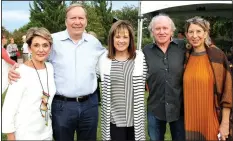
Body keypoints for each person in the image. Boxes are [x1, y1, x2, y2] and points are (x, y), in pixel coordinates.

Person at [8, 3, 105, 141]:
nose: (77, 22)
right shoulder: (53, 41)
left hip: (90, 105)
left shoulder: (94, 42)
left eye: (81, 18)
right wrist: (18, 69)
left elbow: (110, 58)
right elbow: (37, 56)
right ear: (66, 20)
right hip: (62, 106)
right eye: (73, 18)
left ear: (86, 21)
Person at [183, 16, 232, 141]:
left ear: (205, 33)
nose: (194, 36)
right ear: (186, 35)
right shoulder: (186, 57)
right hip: (190, 120)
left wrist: (225, 123)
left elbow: (228, 92)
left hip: (212, 120)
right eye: (191, 32)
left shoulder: (217, 56)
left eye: (198, 31)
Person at [2, 27, 56, 140]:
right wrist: (10, 136)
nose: (41, 49)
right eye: (36, 45)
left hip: (46, 133)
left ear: (50, 48)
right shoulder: (20, 72)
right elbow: (9, 109)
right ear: (29, 48)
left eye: (45, 45)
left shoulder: (50, 68)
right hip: (25, 134)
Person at [97, 20, 147, 140]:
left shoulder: (139, 58)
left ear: (130, 39)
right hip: (114, 119)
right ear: (112, 39)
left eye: (125, 37)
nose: (121, 40)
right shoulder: (104, 60)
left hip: (135, 119)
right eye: (117, 36)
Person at [143, 13, 186, 141]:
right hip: (155, 108)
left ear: (172, 30)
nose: (161, 32)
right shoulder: (145, 51)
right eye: (157, 28)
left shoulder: (183, 47)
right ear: (152, 31)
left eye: (165, 28)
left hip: (179, 108)